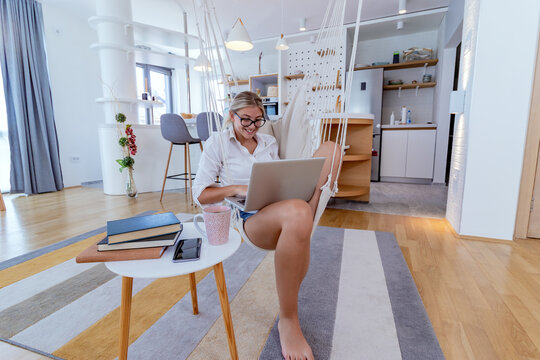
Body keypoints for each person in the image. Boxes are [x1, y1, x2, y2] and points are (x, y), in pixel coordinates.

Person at [192, 91, 342, 360]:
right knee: (298, 213)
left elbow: (278, 176)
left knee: (332, 148)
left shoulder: (269, 142)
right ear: (231, 116)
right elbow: (200, 194)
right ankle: (288, 320)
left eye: (258, 121)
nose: (252, 127)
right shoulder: (218, 143)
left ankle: (312, 201)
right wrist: (236, 187)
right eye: (245, 120)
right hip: (250, 219)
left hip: (281, 204)